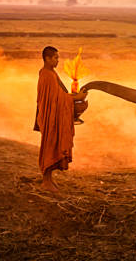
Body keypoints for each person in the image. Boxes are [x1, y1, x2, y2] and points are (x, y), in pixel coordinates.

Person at [34, 46, 87, 192]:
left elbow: (59, 95)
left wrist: (75, 96)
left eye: (58, 57)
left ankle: (49, 179)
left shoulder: (51, 73)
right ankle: (46, 180)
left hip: (53, 114)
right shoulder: (47, 74)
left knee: (53, 144)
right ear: (47, 58)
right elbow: (56, 98)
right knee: (49, 145)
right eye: (55, 58)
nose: (58, 60)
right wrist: (77, 97)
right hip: (50, 117)